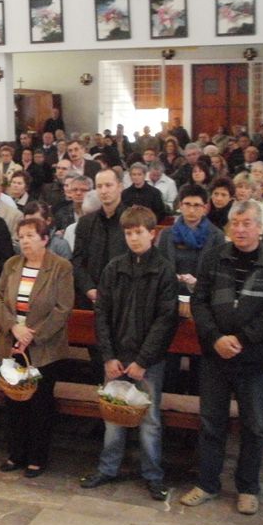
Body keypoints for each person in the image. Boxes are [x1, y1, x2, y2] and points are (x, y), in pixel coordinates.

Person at [180, 201, 263, 515]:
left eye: (247, 223)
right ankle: (207, 483)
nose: (240, 229)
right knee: (211, 423)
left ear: (260, 228)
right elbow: (199, 302)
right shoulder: (214, 257)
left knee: (253, 426)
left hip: (255, 359)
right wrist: (216, 338)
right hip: (216, 356)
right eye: (235, 223)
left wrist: (241, 339)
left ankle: (248, 488)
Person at [80, 206, 179, 501]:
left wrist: (143, 361)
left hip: (148, 361)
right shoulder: (114, 268)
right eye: (128, 233)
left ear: (152, 234)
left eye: (139, 232)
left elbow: (165, 320)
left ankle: (153, 474)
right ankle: (108, 468)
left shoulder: (164, 270)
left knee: (150, 420)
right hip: (116, 356)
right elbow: (102, 314)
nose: (133, 238)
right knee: (113, 415)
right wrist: (108, 356)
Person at [0, 217, 74, 477]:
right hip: (11, 342)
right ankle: (15, 453)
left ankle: (37, 457)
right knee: (13, 400)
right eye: (21, 236)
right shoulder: (12, 264)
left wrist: (32, 336)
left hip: (43, 347)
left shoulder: (60, 267)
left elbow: (62, 309)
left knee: (39, 403)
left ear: (45, 239)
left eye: (30, 236)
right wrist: (13, 327)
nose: (25, 241)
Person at [157, 184, 225, 393]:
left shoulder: (216, 236)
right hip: (171, 302)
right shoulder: (167, 234)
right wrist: (172, 278)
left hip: (201, 303)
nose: (192, 210)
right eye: (187, 204)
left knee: (199, 360)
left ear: (205, 207)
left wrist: (198, 282)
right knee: (170, 359)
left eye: (197, 205)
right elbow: (159, 267)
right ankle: (170, 399)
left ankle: (194, 399)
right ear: (180, 206)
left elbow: (220, 274)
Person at [73, 168, 128, 309]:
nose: (103, 191)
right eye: (99, 186)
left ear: (120, 187)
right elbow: (78, 261)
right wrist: (89, 289)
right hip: (90, 298)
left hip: (125, 297)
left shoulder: (132, 221)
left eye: (108, 185)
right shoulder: (86, 222)